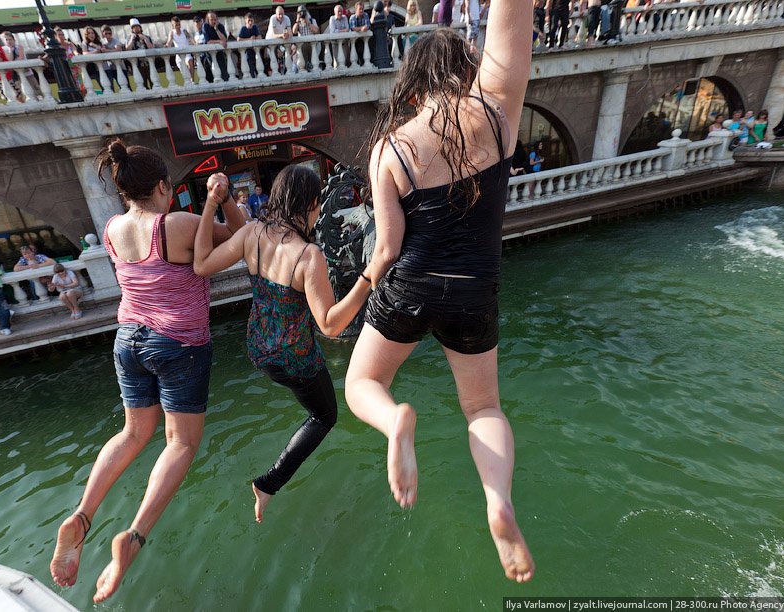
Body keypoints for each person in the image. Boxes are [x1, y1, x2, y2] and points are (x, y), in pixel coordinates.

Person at [345, 0, 536, 582]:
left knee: (365, 382)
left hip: (410, 283)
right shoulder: (499, 114)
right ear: (465, 68)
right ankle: (497, 502)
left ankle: (396, 421)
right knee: (482, 407)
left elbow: (386, 248)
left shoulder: (391, 147)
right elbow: (512, 27)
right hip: (476, 290)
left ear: (411, 86)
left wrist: (356, 296)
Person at [49, 139, 244, 603]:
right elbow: (244, 237)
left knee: (133, 433)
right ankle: (133, 536)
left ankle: (82, 516)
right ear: (163, 186)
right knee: (180, 442)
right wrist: (225, 197)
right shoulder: (177, 223)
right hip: (179, 343)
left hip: (128, 338)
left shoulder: (114, 226)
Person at [193, 164, 376, 523]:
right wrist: (368, 277)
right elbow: (330, 325)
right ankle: (268, 484)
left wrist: (210, 204)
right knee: (325, 416)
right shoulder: (309, 256)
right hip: (296, 358)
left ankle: (269, 485)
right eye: (318, 204)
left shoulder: (251, 234)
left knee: (313, 406)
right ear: (310, 203)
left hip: (259, 349)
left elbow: (201, 265)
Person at [2, 31, 42, 99]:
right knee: (23, 90)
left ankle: (40, 98)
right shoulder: (4, 49)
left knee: (35, 87)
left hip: (27, 72)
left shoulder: (19, 46)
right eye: (6, 40)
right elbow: (10, 60)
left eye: (10, 39)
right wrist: (10, 50)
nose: (9, 41)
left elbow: (21, 57)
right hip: (16, 74)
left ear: (13, 39)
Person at [165, 16, 197, 83]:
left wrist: (196, 45)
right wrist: (167, 46)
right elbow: (169, 42)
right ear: (173, 26)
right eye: (176, 25)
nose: (178, 26)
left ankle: (192, 81)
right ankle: (189, 83)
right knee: (185, 74)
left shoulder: (184, 31)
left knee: (190, 62)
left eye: (179, 24)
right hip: (179, 57)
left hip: (187, 54)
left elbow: (191, 39)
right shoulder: (171, 33)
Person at [125, 19, 154, 90]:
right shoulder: (129, 38)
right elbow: (127, 49)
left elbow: (151, 48)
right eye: (134, 27)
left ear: (140, 27)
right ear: (132, 29)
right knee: (142, 83)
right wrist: (132, 39)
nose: (136, 28)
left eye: (137, 26)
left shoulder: (147, 37)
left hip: (149, 63)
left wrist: (145, 39)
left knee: (153, 81)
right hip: (138, 64)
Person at [202, 12, 229, 83]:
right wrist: (219, 41)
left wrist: (216, 29)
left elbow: (224, 40)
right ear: (208, 20)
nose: (214, 21)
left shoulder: (220, 26)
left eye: (215, 19)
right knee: (214, 70)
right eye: (211, 20)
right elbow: (208, 41)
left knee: (223, 70)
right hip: (210, 52)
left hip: (220, 52)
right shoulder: (205, 26)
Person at [292, 6, 320, 71]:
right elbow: (294, 31)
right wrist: (297, 21)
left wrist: (309, 23)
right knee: (303, 64)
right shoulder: (298, 23)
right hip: (302, 46)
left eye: (303, 12)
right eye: (300, 13)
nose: (302, 14)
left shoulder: (312, 20)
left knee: (312, 63)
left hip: (311, 45)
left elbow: (317, 31)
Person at [237, 13, 263, 78]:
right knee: (250, 69)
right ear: (246, 21)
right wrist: (249, 39)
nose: (250, 22)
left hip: (255, 52)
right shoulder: (243, 29)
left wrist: (254, 38)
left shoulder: (255, 27)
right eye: (249, 21)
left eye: (251, 20)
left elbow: (260, 37)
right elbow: (238, 39)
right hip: (248, 53)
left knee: (259, 68)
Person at [100, 25, 124, 90]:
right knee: (110, 87)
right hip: (109, 67)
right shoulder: (101, 42)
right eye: (106, 34)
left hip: (120, 66)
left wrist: (107, 50)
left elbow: (118, 49)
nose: (108, 35)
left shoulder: (116, 40)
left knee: (124, 85)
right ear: (102, 34)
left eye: (109, 33)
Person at [81, 26, 105, 91]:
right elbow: (85, 53)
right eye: (89, 33)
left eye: (92, 33)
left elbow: (102, 50)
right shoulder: (84, 43)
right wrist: (96, 51)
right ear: (86, 35)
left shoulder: (99, 42)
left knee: (105, 85)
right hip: (91, 67)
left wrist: (94, 45)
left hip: (101, 66)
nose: (91, 35)